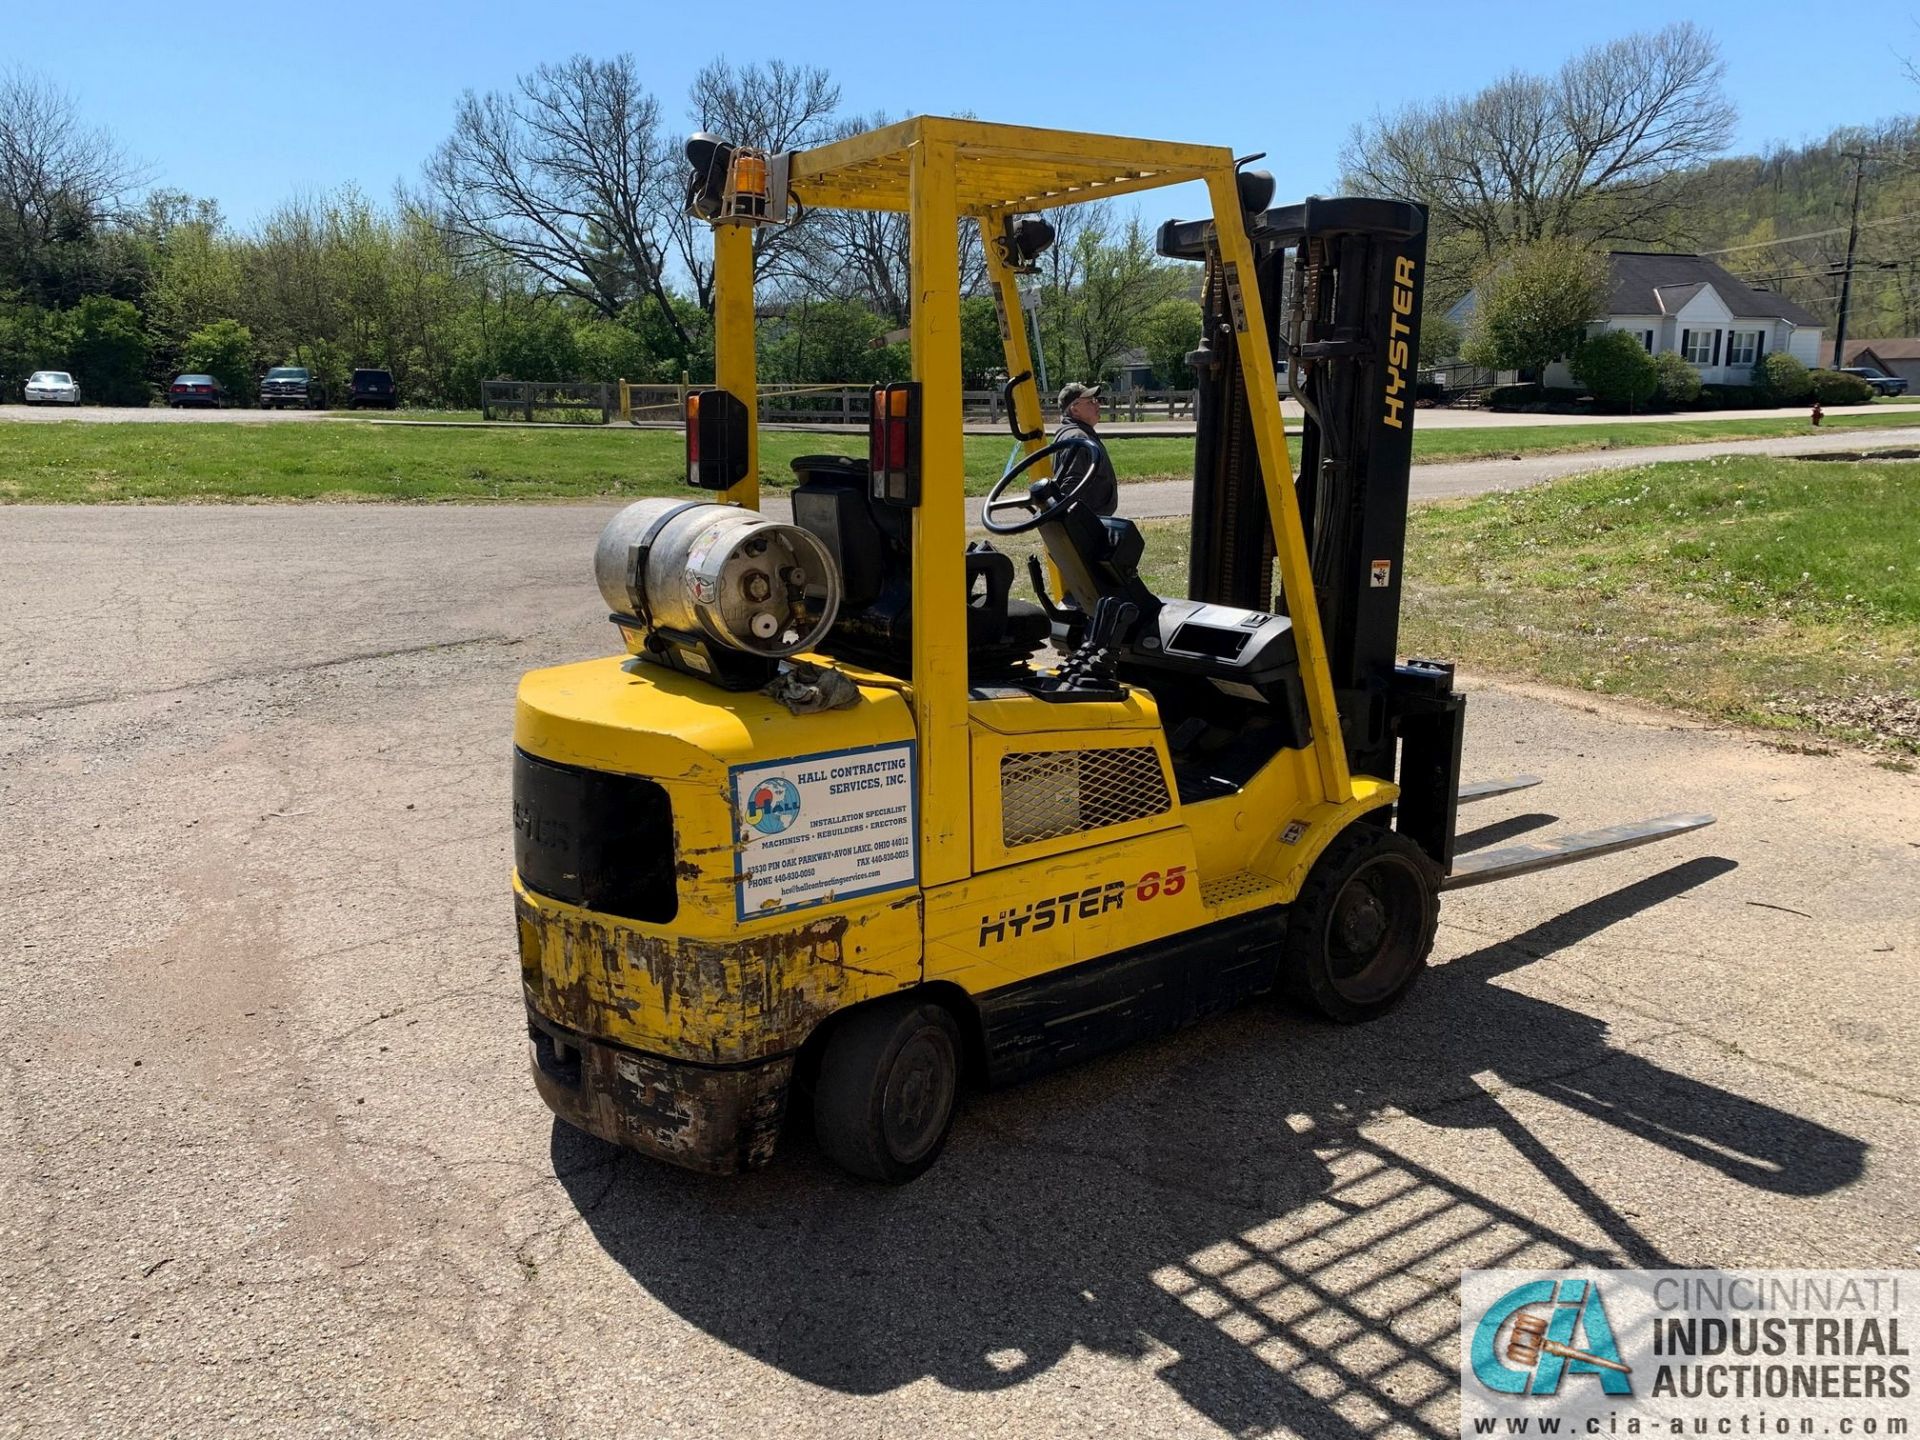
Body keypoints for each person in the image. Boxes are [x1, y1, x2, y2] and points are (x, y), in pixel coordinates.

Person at [1050, 381, 1118, 516]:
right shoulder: (1078, 437)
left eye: (1096, 400)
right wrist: (1078, 525)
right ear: (1074, 409)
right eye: (1090, 402)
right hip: (1089, 524)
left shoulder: (1075, 434)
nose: (1097, 404)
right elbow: (1070, 485)